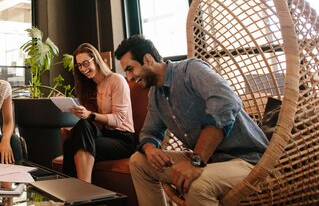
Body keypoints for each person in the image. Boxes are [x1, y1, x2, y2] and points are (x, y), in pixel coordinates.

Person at [114, 35, 269, 206]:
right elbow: (150, 131)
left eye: (130, 69)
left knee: (196, 185)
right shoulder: (155, 94)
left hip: (247, 160)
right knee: (138, 162)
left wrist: (196, 162)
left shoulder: (190, 70)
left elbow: (226, 100)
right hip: (208, 161)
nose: (129, 77)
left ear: (148, 59)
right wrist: (150, 149)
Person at [63, 43, 136, 183]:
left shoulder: (117, 80)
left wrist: (89, 115)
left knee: (76, 140)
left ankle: (84, 189)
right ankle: (72, 191)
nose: (83, 69)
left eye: (85, 63)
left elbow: (119, 120)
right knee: (76, 133)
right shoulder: (89, 86)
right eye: (79, 66)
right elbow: (91, 121)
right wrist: (76, 110)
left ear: (95, 59)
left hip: (123, 140)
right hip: (103, 134)